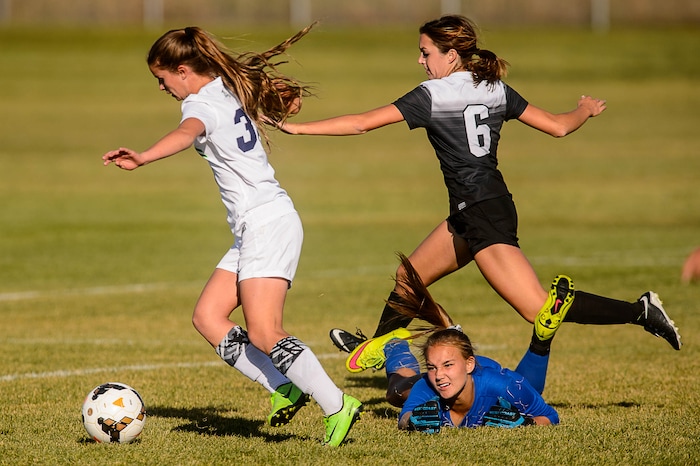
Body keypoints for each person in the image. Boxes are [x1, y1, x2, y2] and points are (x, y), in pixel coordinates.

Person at [275, 15, 682, 371]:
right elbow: (559, 126)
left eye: (425, 52)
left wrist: (296, 128)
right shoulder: (495, 89)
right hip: (479, 208)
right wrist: (584, 110)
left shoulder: (433, 95)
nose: (420, 60)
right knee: (408, 278)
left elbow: (363, 123)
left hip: (483, 213)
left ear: (451, 56)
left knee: (538, 309)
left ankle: (640, 311)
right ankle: (378, 344)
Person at [101, 25, 361, 447]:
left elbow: (187, 134)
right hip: (254, 226)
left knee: (264, 331)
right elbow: (288, 98)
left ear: (183, 70)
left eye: (162, 79)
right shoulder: (228, 85)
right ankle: (284, 387)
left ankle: (336, 404)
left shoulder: (202, 104)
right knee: (208, 316)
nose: (162, 87)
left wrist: (145, 156)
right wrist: (279, 107)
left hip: (266, 223)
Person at [372, 254, 562, 431]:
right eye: (431, 367)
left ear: (469, 363)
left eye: (447, 365)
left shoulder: (502, 386)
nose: (439, 375)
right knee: (396, 393)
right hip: (468, 373)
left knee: (525, 390)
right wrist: (412, 421)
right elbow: (404, 418)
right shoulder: (428, 386)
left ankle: (540, 343)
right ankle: (393, 342)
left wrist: (526, 423)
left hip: (492, 375)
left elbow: (550, 416)